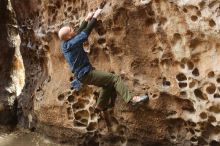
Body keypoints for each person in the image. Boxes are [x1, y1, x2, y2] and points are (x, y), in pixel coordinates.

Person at [58, 6, 148, 112]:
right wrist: (95, 17)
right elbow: (84, 34)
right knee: (114, 79)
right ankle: (132, 99)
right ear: (68, 36)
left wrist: (87, 19)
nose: (73, 29)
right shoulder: (71, 44)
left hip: (83, 75)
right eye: (70, 29)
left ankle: (99, 106)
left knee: (108, 84)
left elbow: (77, 33)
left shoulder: (65, 43)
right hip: (86, 74)